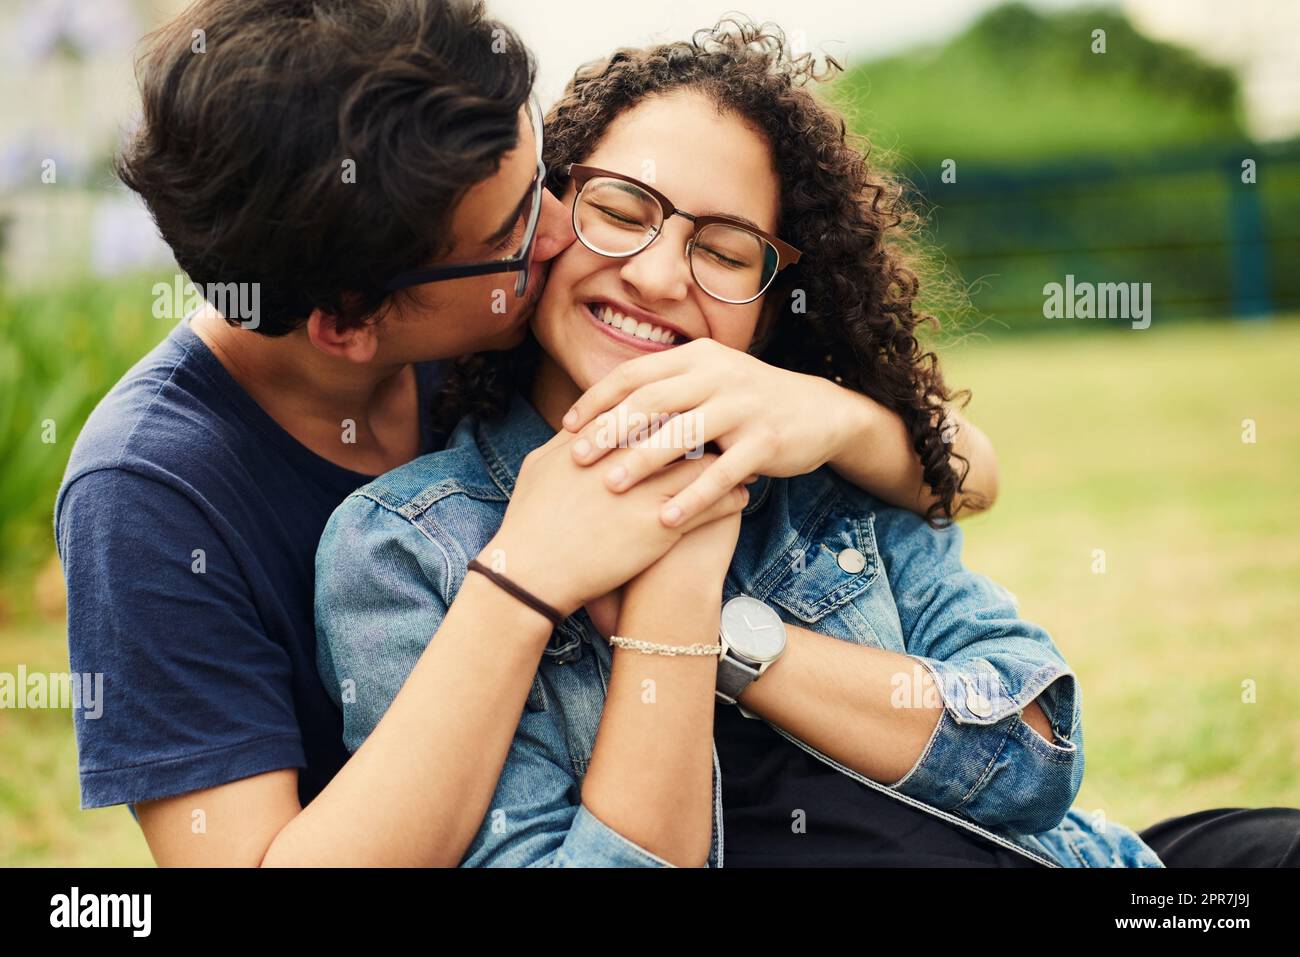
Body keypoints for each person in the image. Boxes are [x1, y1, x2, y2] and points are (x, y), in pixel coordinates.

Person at [315, 20, 1300, 868]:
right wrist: (663, 594)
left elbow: (1033, 749)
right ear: (551, 213)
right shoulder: (414, 552)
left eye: (725, 250)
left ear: (770, 309)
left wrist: (727, 629)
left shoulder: (817, 472)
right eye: (621, 211)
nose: (660, 275)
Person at [55, 0, 998, 866]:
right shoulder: (147, 493)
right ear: (350, 323)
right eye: (514, 228)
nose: (561, 231)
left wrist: (827, 412)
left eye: (546, 172)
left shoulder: (490, 299)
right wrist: (521, 582)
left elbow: (968, 470)